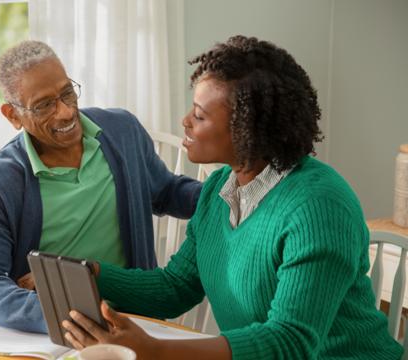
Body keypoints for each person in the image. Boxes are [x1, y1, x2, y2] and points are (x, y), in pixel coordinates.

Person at [62, 35, 403, 359]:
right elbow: (177, 286)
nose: (185, 122)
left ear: (247, 129)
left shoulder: (319, 206)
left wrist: (158, 352)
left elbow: (291, 342)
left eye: (199, 115)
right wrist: (91, 274)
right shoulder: (219, 188)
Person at [0, 40, 202, 333]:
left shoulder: (122, 130)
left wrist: (228, 189)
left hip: (135, 318)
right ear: (13, 115)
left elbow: (167, 192)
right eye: (45, 105)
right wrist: (58, 311)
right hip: (58, 328)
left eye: (67, 93)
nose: (65, 112)